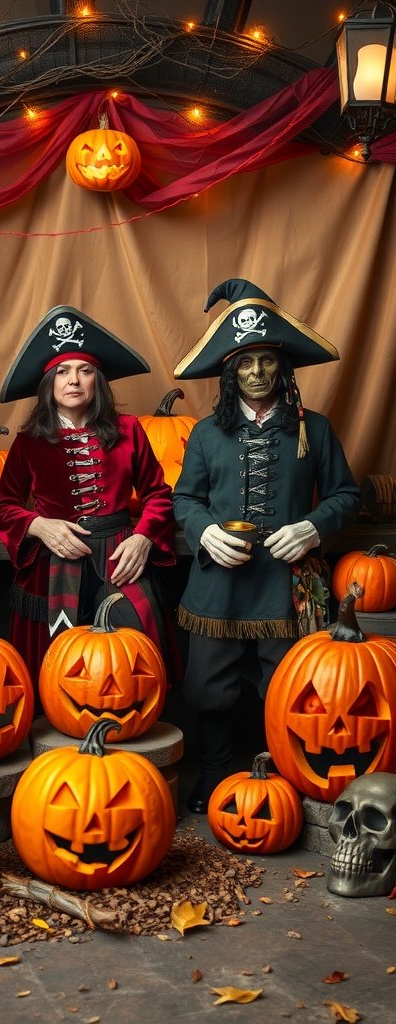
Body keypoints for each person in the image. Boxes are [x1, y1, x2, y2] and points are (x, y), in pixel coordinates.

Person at [172, 278, 360, 814]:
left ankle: (280, 774)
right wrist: (205, 531)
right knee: (208, 685)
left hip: (287, 585)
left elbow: (346, 495)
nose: (256, 372)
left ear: (283, 367)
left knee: (287, 686)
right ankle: (214, 774)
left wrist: (313, 528)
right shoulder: (206, 433)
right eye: (245, 363)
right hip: (218, 583)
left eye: (266, 361)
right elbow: (185, 498)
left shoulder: (314, 429)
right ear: (229, 372)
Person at [0, 305, 176, 684]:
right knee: (56, 668)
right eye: (62, 371)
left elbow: (159, 495)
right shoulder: (28, 441)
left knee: (134, 659)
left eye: (85, 371)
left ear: (97, 381)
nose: (73, 380)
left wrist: (143, 537)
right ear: (49, 384)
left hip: (120, 553)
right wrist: (38, 526)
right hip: (53, 558)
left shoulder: (129, 430)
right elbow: (3, 507)